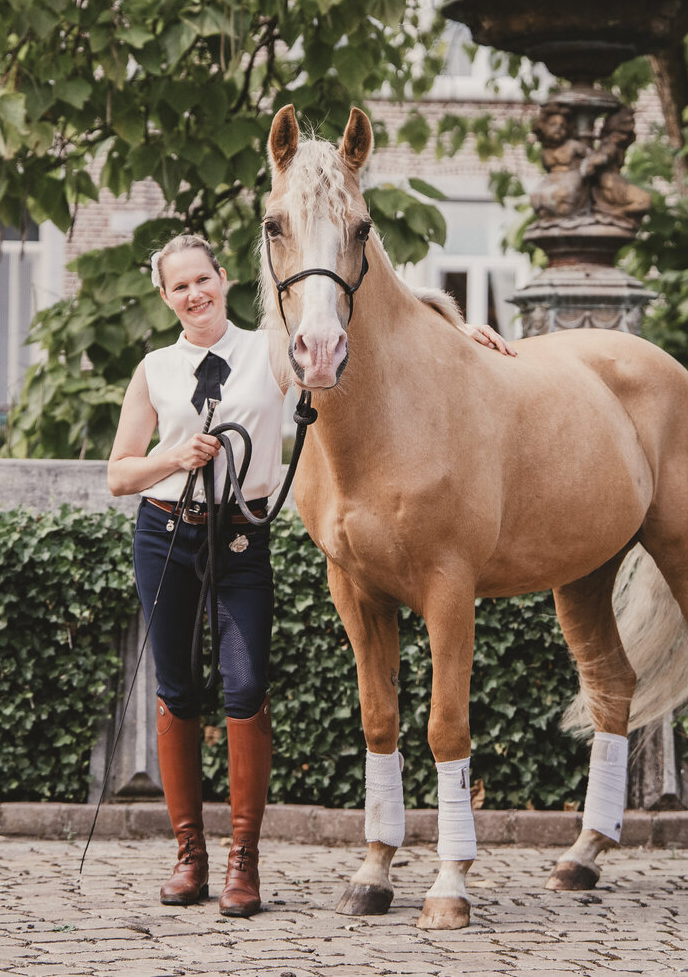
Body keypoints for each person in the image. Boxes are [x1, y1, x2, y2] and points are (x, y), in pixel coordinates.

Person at [107, 233, 513, 917]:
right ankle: (189, 855)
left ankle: (243, 860)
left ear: (224, 276)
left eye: (202, 278)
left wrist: (455, 338)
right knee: (176, 688)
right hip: (166, 533)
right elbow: (119, 473)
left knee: (246, 686)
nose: (194, 293)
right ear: (164, 295)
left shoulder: (272, 350)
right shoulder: (153, 369)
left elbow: (362, 347)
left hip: (239, 538)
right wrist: (176, 456)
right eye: (180, 285)